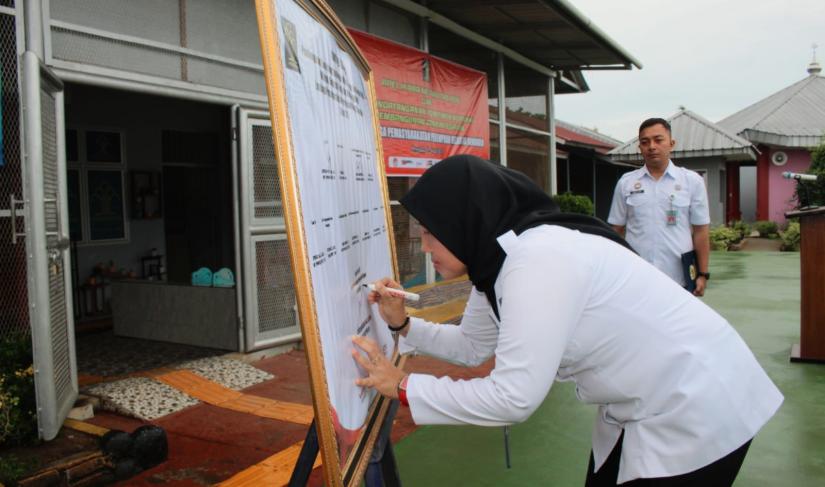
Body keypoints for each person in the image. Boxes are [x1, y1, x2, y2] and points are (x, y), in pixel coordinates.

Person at [351, 155, 782, 486]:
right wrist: (402, 325)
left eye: (431, 231)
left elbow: (513, 398)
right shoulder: (497, 259)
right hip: (645, 402)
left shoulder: (536, 260)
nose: (424, 247)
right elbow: (473, 346)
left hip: (698, 404)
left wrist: (402, 386)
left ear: (465, 220)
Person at [607, 118, 711, 296]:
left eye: (658, 140)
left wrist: (702, 274)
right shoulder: (626, 183)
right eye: (645, 142)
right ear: (640, 148)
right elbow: (615, 230)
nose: (651, 146)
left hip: (679, 279)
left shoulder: (692, 181)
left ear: (671, 144)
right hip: (637, 277)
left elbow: (701, 230)